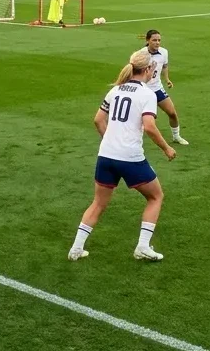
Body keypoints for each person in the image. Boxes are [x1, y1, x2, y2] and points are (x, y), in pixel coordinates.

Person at [68, 49, 176, 262]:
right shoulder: (147, 94)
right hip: (130, 157)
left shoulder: (115, 90)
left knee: (98, 203)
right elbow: (150, 126)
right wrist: (166, 148)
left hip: (106, 155)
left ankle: (76, 249)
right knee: (155, 197)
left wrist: (110, 140)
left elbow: (98, 120)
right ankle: (142, 247)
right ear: (148, 69)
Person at [142, 30, 188, 146]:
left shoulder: (164, 52)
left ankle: (176, 136)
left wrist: (167, 79)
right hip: (143, 90)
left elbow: (165, 66)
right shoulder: (141, 54)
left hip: (157, 88)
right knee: (139, 117)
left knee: (172, 113)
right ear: (147, 40)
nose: (157, 42)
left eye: (159, 40)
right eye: (154, 40)